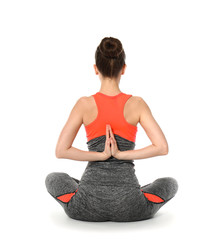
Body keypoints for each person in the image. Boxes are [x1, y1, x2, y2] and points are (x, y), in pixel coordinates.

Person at [45, 37, 178, 222]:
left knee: (53, 177)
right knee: (170, 183)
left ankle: (84, 187)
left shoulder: (84, 104)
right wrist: (121, 155)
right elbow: (162, 147)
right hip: (130, 207)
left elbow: (61, 151)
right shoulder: (137, 104)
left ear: (95, 69)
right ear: (123, 69)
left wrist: (101, 156)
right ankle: (136, 192)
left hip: (86, 206)